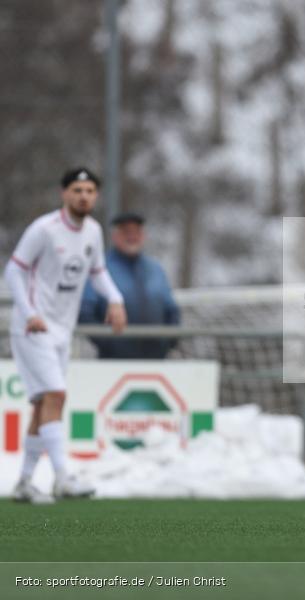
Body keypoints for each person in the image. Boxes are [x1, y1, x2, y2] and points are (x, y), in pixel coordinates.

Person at [4, 167, 127, 504]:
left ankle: (24, 482)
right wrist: (30, 313)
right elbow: (14, 270)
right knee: (56, 395)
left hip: (62, 330)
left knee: (43, 404)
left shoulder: (93, 231)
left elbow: (98, 272)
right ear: (64, 194)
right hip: (33, 327)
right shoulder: (44, 229)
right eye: (77, 190)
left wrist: (115, 299)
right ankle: (62, 478)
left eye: (89, 191)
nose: (83, 196)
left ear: (96, 196)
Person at [79, 212, 180, 359]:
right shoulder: (100, 269)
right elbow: (85, 312)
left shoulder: (155, 268)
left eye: (137, 232)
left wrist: (168, 342)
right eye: (126, 232)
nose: (132, 237)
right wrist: (108, 343)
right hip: (113, 362)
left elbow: (172, 311)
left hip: (156, 360)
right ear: (115, 236)